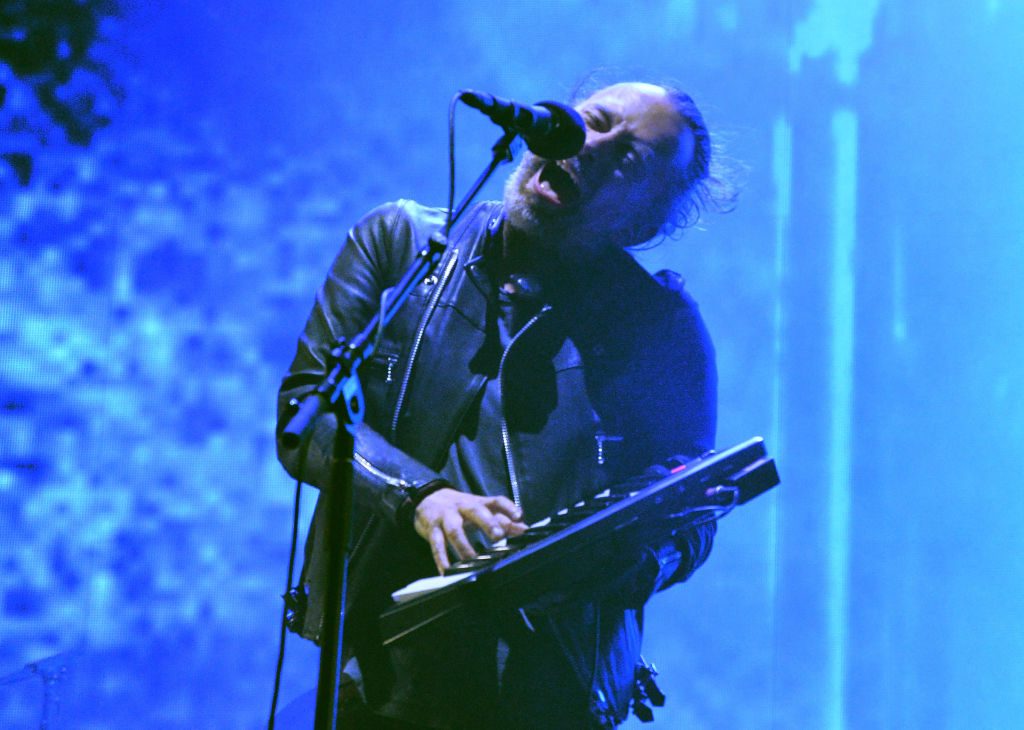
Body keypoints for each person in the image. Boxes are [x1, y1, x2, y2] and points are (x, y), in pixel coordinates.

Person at [277, 81, 729, 729]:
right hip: (379, 679)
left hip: (551, 692)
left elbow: (694, 511)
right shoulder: (399, 244)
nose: (589, 146)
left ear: (644, 221)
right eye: (590, 121)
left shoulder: (660, 327)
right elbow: (307, 414)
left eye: (628, 158)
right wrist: (421, 498)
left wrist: (633, 561)